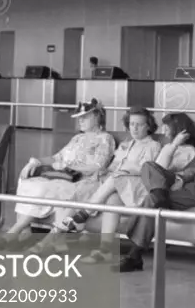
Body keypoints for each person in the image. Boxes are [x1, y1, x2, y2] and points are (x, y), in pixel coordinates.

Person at [38, 106, 162, 260]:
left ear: (148, 126)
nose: (134, 128)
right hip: (114, 186)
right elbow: (113, 166)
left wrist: (118, 171)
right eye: (131, 124)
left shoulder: (152, 146)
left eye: (139, 124)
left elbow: (145, 169)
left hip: (134, 188)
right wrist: (104, 171)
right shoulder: (127, 144)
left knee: (103, 185)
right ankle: (105, 250)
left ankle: (72, 223)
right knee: (92, 195)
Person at [0, 99, 116, 249]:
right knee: (27, 182)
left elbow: (99, 166)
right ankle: (24, 232)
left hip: (85, 182)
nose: (80, 120)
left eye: (85, 116)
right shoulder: (77, 138)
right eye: (79, 117)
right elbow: (57, 157)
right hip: (65, 178)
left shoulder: (105, 139)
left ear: (97, 116)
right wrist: (37, 161)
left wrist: (69, 166)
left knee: (43, 189)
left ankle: (15, 232)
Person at [115, 112, 195, 273]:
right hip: (158, 186)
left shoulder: (189, 151)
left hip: (170, 185)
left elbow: (161, 168)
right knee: (148, 170)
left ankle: (134, 256)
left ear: (178, 129)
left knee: (150, 181)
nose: (164, 129)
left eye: (167, 126)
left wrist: (175, 144)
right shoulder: (168, 147)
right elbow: (155, 170)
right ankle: (158, 198)